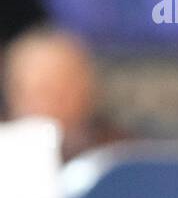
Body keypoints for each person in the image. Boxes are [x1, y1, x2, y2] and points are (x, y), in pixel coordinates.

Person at [1, 27, 125, 162]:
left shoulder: (119, 152)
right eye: (43, 92)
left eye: (63, 91)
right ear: (14, 97)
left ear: (87, 89)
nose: (52, 104)